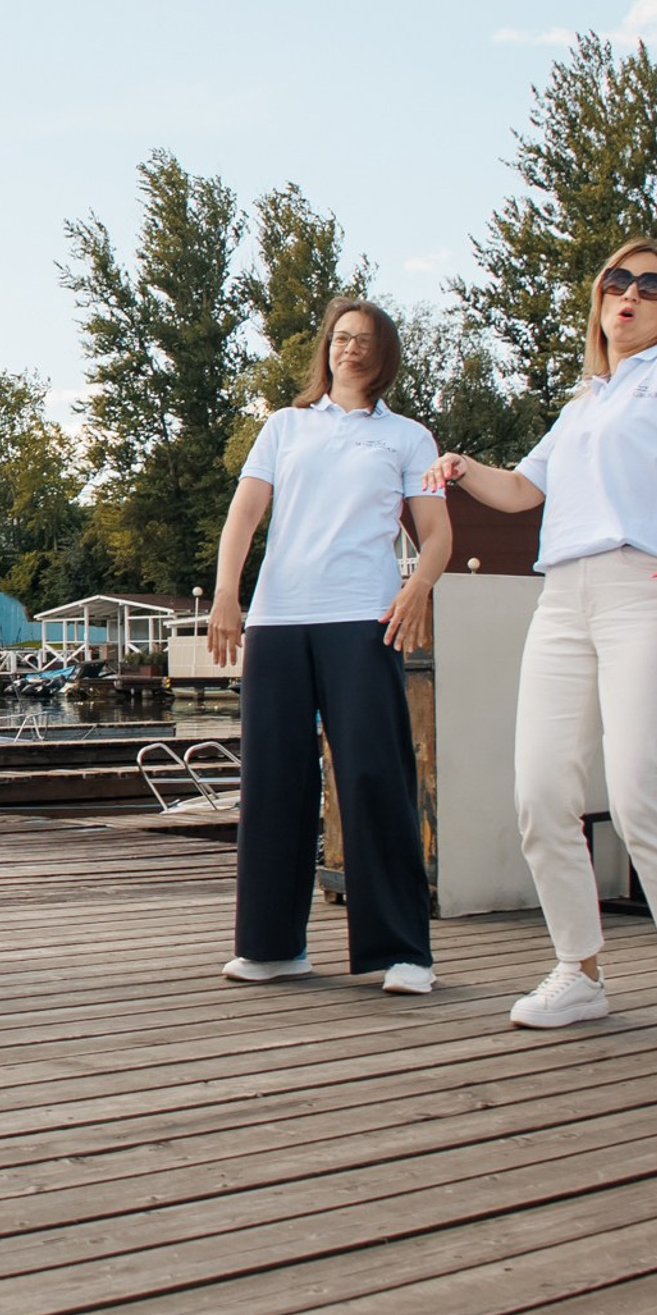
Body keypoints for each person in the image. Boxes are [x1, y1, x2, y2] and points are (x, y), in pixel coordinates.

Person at [429, 236, 657, 1054]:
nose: (633, 295)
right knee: (540, 790)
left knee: (641, 789)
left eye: (654, 287)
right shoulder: (582, 405)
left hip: (647, 587)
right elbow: (524, 491)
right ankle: (580, 971)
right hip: (565, 593)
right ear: (599, 299)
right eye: (619, 281)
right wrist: (465, 468)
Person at [208, 298, 453, 994]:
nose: (351, 348)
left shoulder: (407, 438)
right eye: (341, 338)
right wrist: (228, 595)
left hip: (362, 617)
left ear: (384, 354)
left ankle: (401, 951)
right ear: (326, 349)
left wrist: (419, 588)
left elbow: (435, 534)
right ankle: (273, 945)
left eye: (366, 340)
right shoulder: (285, 427)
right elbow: (245, 514)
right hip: (280, 620)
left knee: (375, 777)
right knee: (274, 780)